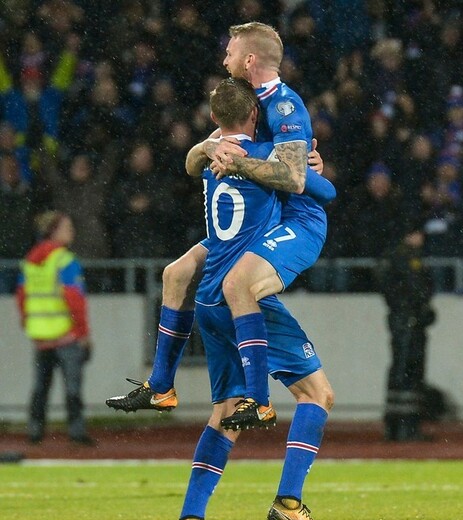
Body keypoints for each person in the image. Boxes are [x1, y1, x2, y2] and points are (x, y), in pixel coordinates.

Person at [107, 22, 326, 431]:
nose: (224, 60)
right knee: (175, 274)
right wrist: (208, 147)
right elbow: (192, 164)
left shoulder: (284, 106)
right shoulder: (241, 100)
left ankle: (259, 399)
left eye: (230, 52)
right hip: (252, 223)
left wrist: (241, 162)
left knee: (236, 286)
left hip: (290, 222)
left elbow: (297, 180)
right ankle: (161, 387)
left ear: (249, 59)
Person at [170, 77, 336, 520]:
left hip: (208, 295)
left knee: (225, 411)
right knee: (317, 394)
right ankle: (289, 503)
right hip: (242, 298)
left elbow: (192, 160)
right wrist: (309, 170)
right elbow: (315, 189)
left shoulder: (215, 154)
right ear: (256, 114)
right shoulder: (263, 155)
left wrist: (208, 146)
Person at [16, 211, 94, 446]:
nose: (72, 232)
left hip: (41, 336)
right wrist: (83, 333)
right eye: (67, 227)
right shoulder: (64, 260)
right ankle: (76, 432)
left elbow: (22, 296)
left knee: (40, 387)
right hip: (66, 334)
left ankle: (35, 431)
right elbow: (75, 299)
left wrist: (28, 322)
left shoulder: (30, 261)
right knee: (72, 388)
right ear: (53, 231)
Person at [381, 226, 436, 441]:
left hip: (405, 320)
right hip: (407, 321)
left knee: (403, 370)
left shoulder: (400, 257)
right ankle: (406, 426)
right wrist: (414, 310)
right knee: (408, 370)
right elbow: (417, 289)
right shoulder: (405, 258)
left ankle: (397, 425)